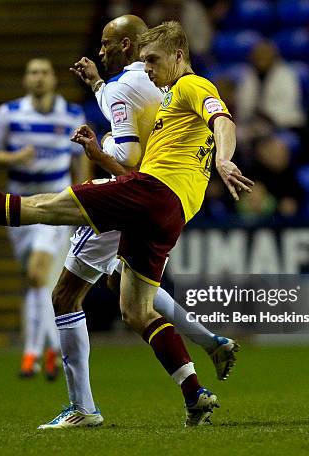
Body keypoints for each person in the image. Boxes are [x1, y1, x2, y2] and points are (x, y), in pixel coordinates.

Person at [0, 21, 253, 427]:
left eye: (153, 60)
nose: (147, 68)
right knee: (135, 309)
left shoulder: (190, 86)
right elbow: (140, 158)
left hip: (148, 192)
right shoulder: (165, 103)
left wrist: (224, 159)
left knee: (37, 209)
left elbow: (223, 121)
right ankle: (195, 392)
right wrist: (100, 142)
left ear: (179, 56)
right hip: (171, 211)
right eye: (143, 61)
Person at [42, 14, 240, 429]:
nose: (101, 50)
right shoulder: (161, 86)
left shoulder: (159, 84)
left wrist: (99, 156)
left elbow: (131, 154)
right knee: (130, 290)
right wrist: (98, 85)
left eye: (107, 43)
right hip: (164, 198)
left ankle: (83, 408)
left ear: (128, 46)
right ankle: (211, 344)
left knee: (67, 296)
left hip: (130, 192)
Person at [0, 58, 86, 379]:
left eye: (44, 72)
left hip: (54, 203)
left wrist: (83, 200)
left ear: (53, 79)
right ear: (25, 80)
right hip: (18, 204)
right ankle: (51, 350)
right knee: (34, 281)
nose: (38, 78)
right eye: (32, 72)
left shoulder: (71, 115)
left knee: (37, 273)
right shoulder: (9, 113)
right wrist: (15, 157)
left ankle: (32, 355)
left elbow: (80, 161)